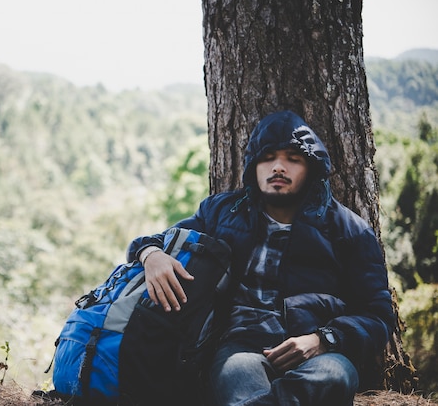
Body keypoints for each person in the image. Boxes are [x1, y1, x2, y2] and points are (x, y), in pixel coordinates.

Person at [126, 110, 394, 406]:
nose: (278, 167)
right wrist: (151, 254)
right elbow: (155, 241)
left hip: (319, 352)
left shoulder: (349, 230)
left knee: (334, 377)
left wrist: (323, 339)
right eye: (268, 157)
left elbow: (377, 314)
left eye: (293, 158)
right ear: (254, 165)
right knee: (235, 378)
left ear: (311, 168)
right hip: (240, 349)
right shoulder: (220, 213)